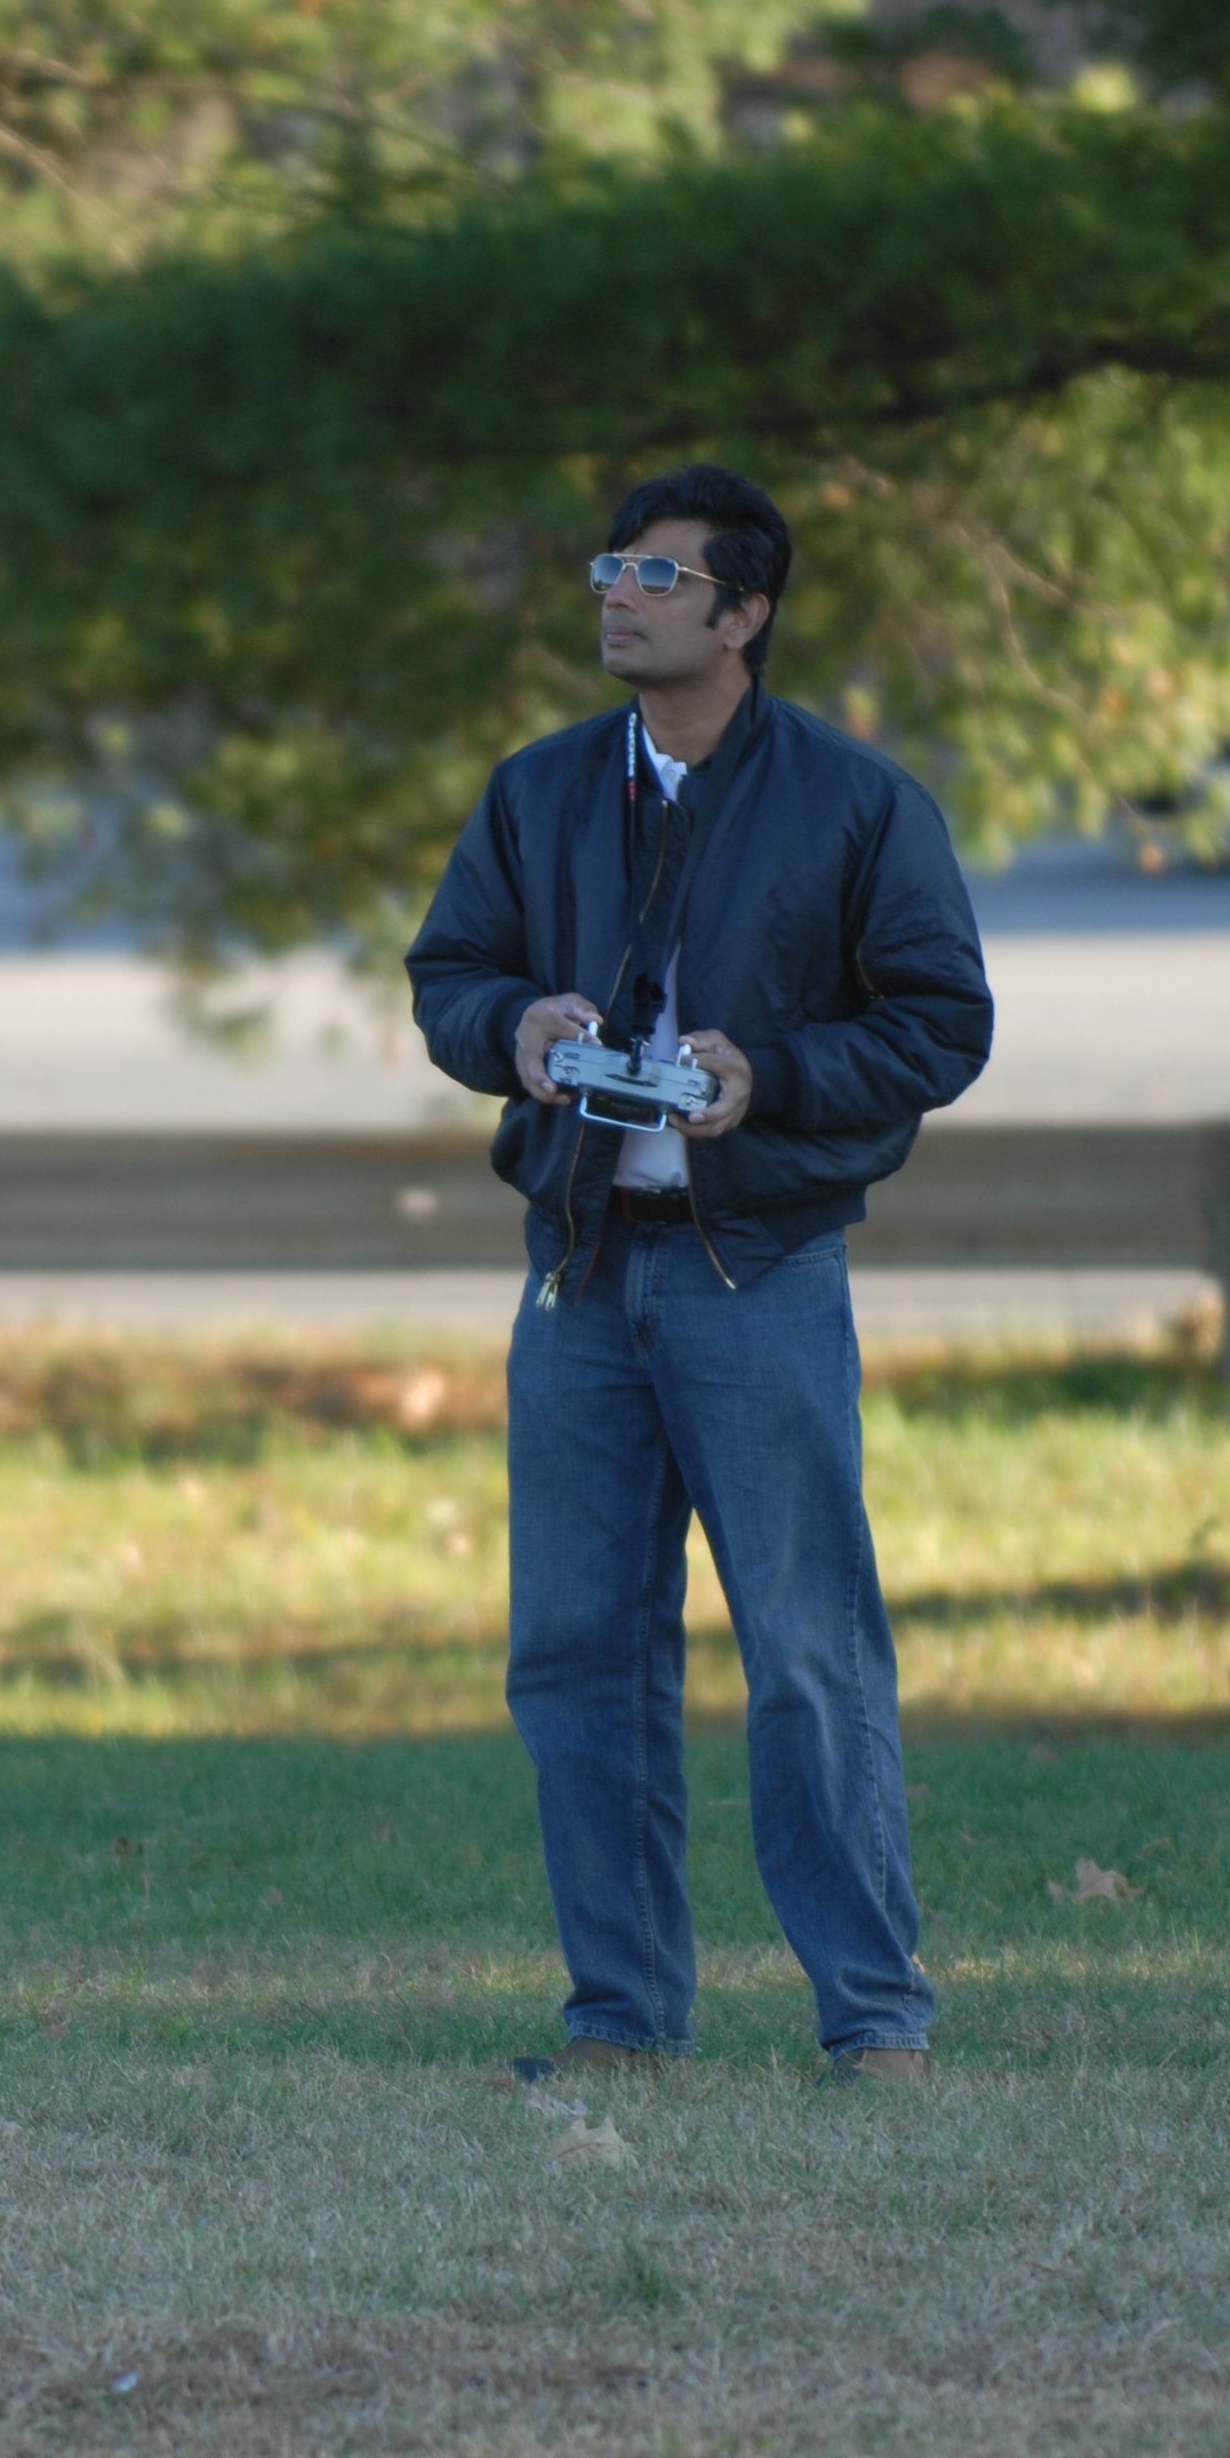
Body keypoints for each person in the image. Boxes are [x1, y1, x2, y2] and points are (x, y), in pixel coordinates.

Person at [404, 464, 993, 2088]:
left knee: (805, 1653)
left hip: (760, 1279)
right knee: (576, 1658)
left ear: (744, 614)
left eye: (659, 576)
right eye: (613, 566)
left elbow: (943, 1024)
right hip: (581, 1281)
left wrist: (773, 1077)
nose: (619, 592)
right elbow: (450, 975)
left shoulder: (857, 802)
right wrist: (514, 1028)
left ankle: (874, 2021)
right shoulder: (537, 791)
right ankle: (621, 2016)